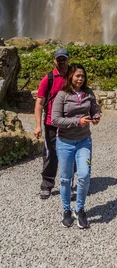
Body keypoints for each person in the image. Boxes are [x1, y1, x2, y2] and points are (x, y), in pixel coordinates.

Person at [52, 63, 101, 229]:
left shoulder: (89, 93)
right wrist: (77, 121)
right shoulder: (62, 95)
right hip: (65, 142)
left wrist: (96, 117)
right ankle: (66, 210)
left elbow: (95, 110)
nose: (80, 79)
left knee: (84, 175)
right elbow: (55, 120)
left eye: (82, 76)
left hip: (84, 141)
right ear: (71, 77)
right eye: (77, 76)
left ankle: (79, 209)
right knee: (66, 179)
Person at [34, 47, 70, 199]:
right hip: (50, 123)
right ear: (54, 60)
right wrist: (37, 125)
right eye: (58, 59)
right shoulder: (48, 79)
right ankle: (47, 184)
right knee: (50, 154)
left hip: (69, 123)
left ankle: (69, 183)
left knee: (71, 154)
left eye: (64, 59)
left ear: (68, 59)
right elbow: (39, 103)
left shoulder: (74, 76)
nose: (61, 61)